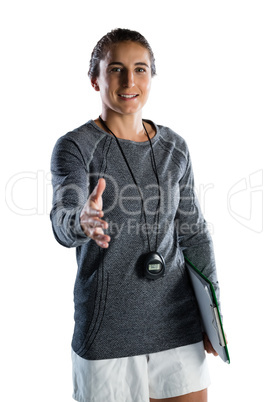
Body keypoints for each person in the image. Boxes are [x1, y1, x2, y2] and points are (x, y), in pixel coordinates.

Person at [50, 28, 222, 402]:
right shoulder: (75, 147)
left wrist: (213, 313)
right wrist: (81, 221)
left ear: (151, 77)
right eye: (116, 69)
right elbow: (63, 217)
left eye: (140, 69)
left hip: (178, 322)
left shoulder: (175, 146)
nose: (129, 81)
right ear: (95, 79)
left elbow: (193, 232)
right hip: (108, 331)